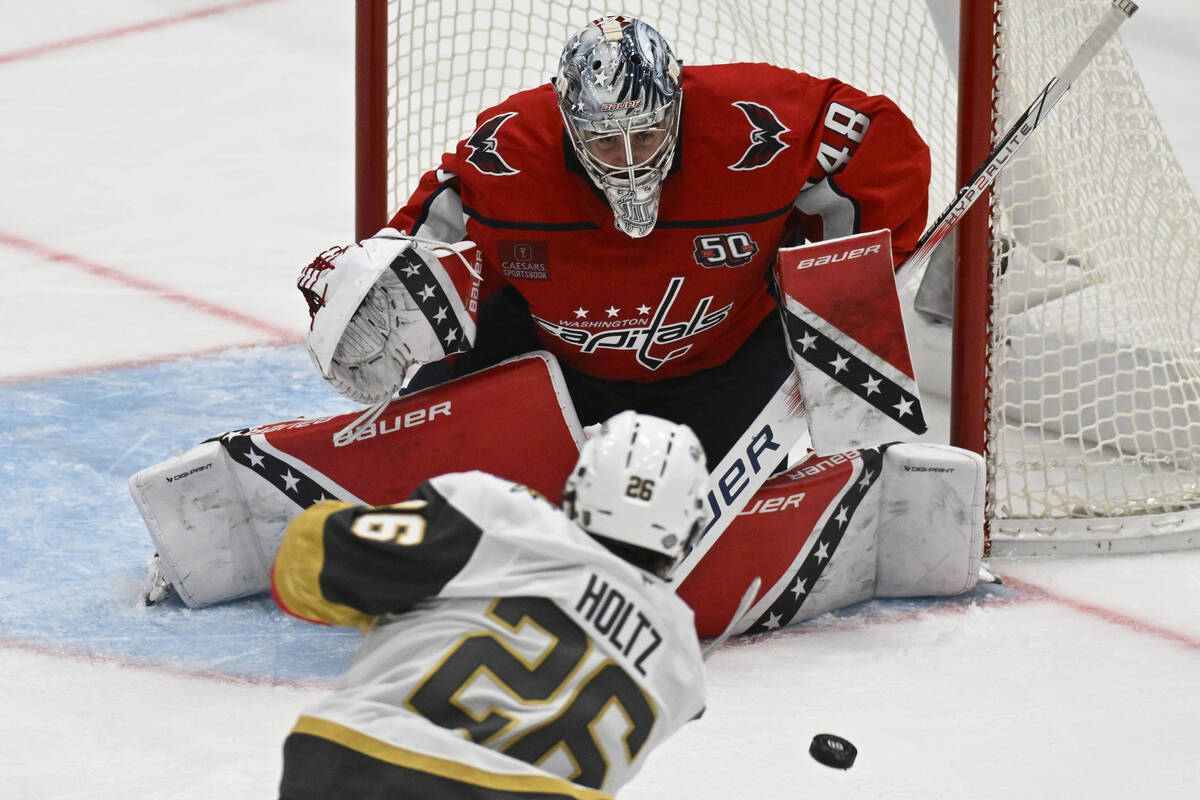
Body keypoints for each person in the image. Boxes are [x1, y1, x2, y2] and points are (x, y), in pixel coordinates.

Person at [302, 14, 931, 470]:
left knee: (683, 501)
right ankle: (398, 459)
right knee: (444, 435)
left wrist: (844, 283)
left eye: (647, 134)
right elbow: (424, 241)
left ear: (677, 105)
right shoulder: (510, 155)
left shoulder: (756, 120)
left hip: (725, 365)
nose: (629, 160)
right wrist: (374, 290)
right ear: (569, 124)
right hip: (558, 370)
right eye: (605, 140)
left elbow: (877, 140)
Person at [272, 411, 710, 799]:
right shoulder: (683, 663)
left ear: (579, 487)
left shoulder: (496, 516)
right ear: (688, 530)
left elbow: (311, 558)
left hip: (365, 765)